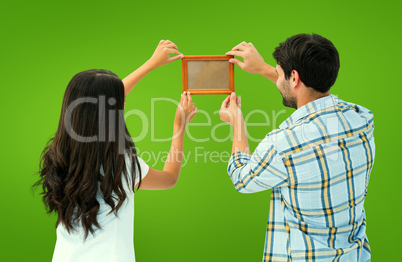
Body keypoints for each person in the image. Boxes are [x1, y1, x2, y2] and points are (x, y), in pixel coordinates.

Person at [34, 40, 198, 262]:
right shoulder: (121, 165)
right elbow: (169, 178)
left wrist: (150, 64)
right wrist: (180, 126)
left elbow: (101, 102)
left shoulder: (59, 154)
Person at [220, 34, 374, 261]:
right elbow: (312, 99)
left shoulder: (282, 145)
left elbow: (242, 179)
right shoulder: (362, 119)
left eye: (278, 72)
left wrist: (238, 124)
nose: (277, 76)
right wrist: (264, 68)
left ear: (294, 77)